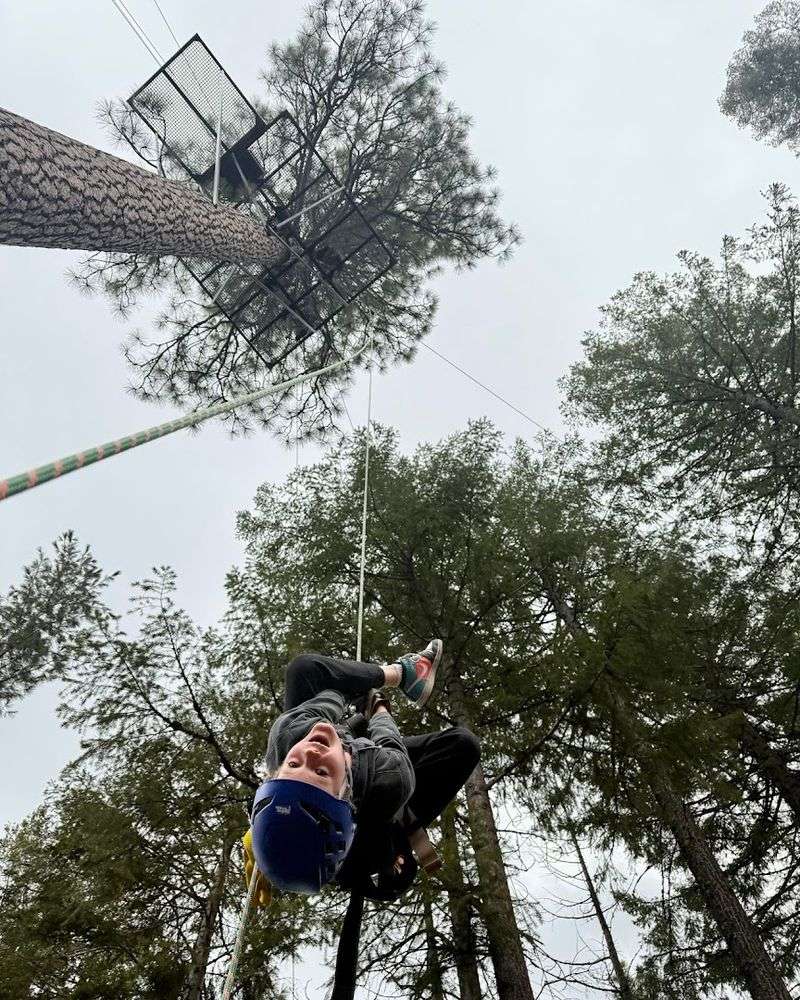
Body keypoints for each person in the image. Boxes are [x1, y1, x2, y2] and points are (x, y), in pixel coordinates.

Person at [245, 639, 481, 896]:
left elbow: (331, 693)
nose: (311, 751)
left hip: (339, 759)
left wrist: (355, 687)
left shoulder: (292, 735)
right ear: (347, 791)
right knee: (464, 744)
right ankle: (396, 836)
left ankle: (405, 674)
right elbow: (386, 735)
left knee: (304, 669)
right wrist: (377, 705)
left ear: (278, 770)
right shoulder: (390, 777)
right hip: (373, 824)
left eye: (294, 764)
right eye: (320, 773)